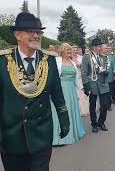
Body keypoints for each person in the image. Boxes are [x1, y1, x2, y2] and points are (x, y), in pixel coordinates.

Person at [0, 12, 70, 171]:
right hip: (11, 138)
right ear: (17, 34)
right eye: (30, 31)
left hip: (41, 134)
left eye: (38, 32)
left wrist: (64, 121)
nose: (36, 35)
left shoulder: (48, 60)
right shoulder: (3, 61)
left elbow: (57, 95)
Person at [52, 43, 85, 145]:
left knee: (71, 110)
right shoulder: (57, 61)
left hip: (71, 90)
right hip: (60, 89)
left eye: (70, 50)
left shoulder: (73, 62)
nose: (70, 52)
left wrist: (82, 88)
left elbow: (76, 78)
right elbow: (53, 77)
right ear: (62, 51)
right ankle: (59, 137)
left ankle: (72, 133)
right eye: (67, 50)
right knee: (61, 111)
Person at [81, 38, 110, 133]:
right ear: (93, 47)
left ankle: (101, 122)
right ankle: (94, 124)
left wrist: (107, 72)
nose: (101, 48)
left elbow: (107, 68)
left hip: (103, 84)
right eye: (99, 46)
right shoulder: (87, 57)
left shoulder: (104, 57)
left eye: (101, 46)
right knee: (92, 105)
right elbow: (84, 72)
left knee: (105, 104)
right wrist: (86, 85)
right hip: (92, 84)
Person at [71, 46, 90, 117]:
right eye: (73, 50)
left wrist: (80, 66)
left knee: (82, 92)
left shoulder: (81, 58)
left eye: (76, 50)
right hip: (72, 77)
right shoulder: (69, 58)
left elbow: (85, 67)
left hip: (80, 77)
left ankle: (83, 109)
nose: (75, 51)